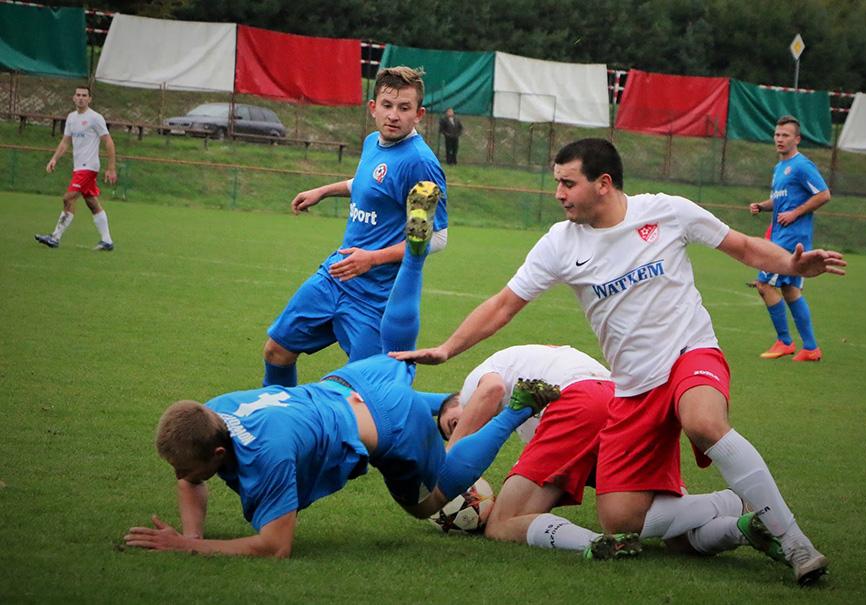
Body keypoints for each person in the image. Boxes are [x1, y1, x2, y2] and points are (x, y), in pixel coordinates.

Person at [392, 138, 846, 585]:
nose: (558, 193)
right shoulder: (559, 244)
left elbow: (744, 247)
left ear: (603, 183)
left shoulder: (667, 211)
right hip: (630, 388)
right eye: (557, 182)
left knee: (703, 422)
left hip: (691, 352)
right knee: (620, 520)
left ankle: (795, 542)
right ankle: (736, 512)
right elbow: (504, 304)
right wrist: (449, 347)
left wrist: (792, 264)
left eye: (568, 183)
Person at [123, 187, 556, 558]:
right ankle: (415, 258)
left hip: (389, 424)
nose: (181, 477)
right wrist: (190, 532)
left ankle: (515, 410)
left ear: (218, 456)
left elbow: (275, 546)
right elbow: (191, 475)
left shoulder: (267, 454)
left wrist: (189, 547)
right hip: (353, 379)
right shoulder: (211, 415)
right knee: (399, 352)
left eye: (185, 469)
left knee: (432, 500)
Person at [439, 344, 763, 562]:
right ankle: (742, 524)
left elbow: (491, 390)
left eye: (453, 421)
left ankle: (592, 544)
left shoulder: (478, 382)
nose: (461, 426)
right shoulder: (532, 381)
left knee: (503, 523)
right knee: (675, 537)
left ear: (456, 400)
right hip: (628, 404)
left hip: (582, 401)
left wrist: (447, 465)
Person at [262, 66, 449, 388]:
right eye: (387, 106)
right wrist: (323, 191)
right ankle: (280, 420)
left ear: (418, 114)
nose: (394, 115)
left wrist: (372, 258)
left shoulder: (420, 162)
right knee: (276, 351)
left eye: (404, 108)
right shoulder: (373, 142)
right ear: (373, 108)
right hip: (335, 275)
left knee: (365, 390)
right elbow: (369, 183)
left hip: (375, 295)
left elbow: (439, 238)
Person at [750, 115, 831, 362]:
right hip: (782, 235)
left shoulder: (802, 165)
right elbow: (781, 200)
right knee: (790, 289)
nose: (779, 139)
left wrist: (795, 213)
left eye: (785, 135)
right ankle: (811, 348)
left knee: (765, 285)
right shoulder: (779, 168)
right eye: (777, 135)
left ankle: (785, 342)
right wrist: (763, 206)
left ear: (797, 139)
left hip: (790, 239)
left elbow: (824, 194)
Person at [35, 86, 117, 251]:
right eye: (78, 95)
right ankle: (107, 241)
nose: (81, 98)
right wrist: (54, 159)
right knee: (92, 202)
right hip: (78, 167)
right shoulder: (71, 118)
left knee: (68, 198)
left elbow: (108, 141)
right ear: (73, 98)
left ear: (89, 99)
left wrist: (111, 167)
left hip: (89, 166)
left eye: (84, 95)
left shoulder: (95, 118)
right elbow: (65, 142)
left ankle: (55, 237)